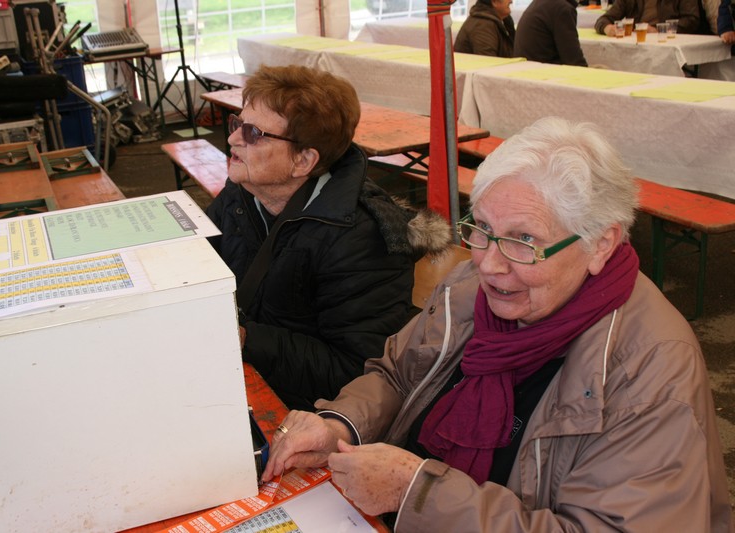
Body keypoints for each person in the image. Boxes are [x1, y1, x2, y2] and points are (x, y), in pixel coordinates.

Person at [262, 117, 732, 532]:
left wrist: (416, 494)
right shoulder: (471, 288)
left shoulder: (650, 370)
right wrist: (341, 425)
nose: (487, 263)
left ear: (601, 244)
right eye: (483, 228)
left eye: (524, 239)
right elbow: (399, 375)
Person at [205, 65, 451, 412]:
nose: (233, 139)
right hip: (242, 371)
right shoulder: (244, 193)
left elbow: (353, 371)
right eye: (237, 123)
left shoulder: (361, 240)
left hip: (306, 411)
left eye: (253, 133)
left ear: (304, 160)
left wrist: (247, 338)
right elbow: (200, 261)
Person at [513, 0, 588, 66]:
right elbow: (574, 60)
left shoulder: (547, 3)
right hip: (543, 71)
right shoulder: (561, 8)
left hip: (527, 67)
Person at [595, 0, 700, 35]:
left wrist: (658, 30)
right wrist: (607, 28)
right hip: (637, 45)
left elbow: (692, 20)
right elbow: (603, 19)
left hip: (668, 44)